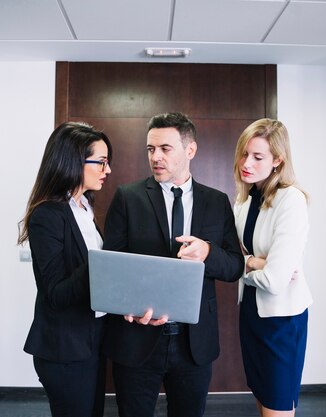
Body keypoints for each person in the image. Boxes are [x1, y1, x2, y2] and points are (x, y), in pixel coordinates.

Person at [102, 112, 244, 417]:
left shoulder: (217, 201)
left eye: (165, 149)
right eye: (151, 149)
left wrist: (208, 252)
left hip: (194, 345)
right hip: (137, 341)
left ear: (189, 151)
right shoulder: (127, 197)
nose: (156, 157)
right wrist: (126, 304)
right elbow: (112, 269)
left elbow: (234, 267)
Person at [17, 122, 112, 417]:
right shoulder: (47, 215)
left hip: (93, 338)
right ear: (73, 161)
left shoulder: (84, 206)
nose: (107, 170)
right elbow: (56, 293)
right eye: (101, 162)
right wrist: (103, 261)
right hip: (64, 349)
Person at [233, 119, 313, 417]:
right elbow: (234, 258)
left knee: (277, 406)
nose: (246, 163)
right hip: (252, 312)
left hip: (281, 319)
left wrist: (245, 265)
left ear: (278, 160)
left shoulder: (291, 200)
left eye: (257, 157)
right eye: (244, 154)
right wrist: (253, 262)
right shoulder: (244, 198)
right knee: (261, 395)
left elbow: (276, 280)